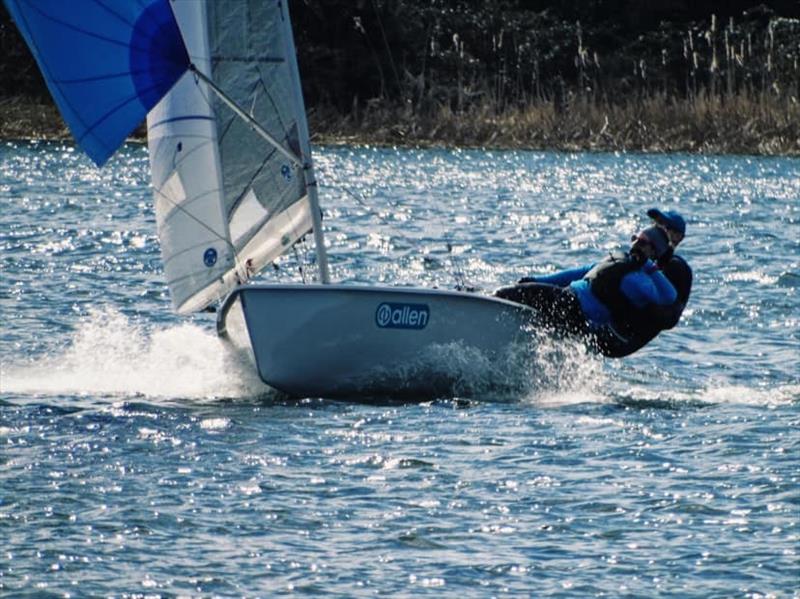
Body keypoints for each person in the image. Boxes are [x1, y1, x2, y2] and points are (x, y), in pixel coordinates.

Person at [495, 225, 678, 357]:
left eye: (642, 241)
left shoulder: (642, 282)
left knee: (507, 294)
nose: (635, 243)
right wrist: (538, 280)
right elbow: (580, 272)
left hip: (575, 310)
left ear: (653, 250)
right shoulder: (620, 260)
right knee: (521, 293)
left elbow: (670, 296)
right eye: (635, 237)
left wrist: (649, 265)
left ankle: (480, 307)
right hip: (566, 297)